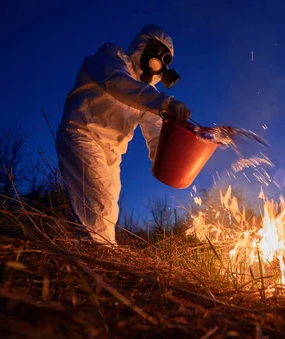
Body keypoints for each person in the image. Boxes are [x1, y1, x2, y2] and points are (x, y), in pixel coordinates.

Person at [55, 25, 190, 246]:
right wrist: (166, 103)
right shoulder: (110, 58)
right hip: (83, 135)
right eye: (156, 50)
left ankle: (92, 259)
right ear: (143, 45)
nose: (158, 61)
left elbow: (156, 134)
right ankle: (99, 263)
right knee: (97, 207)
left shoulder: (149, 96)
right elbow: (119, 85)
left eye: (165, 58)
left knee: (108, 211)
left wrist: (170, 159)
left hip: (112, 154)